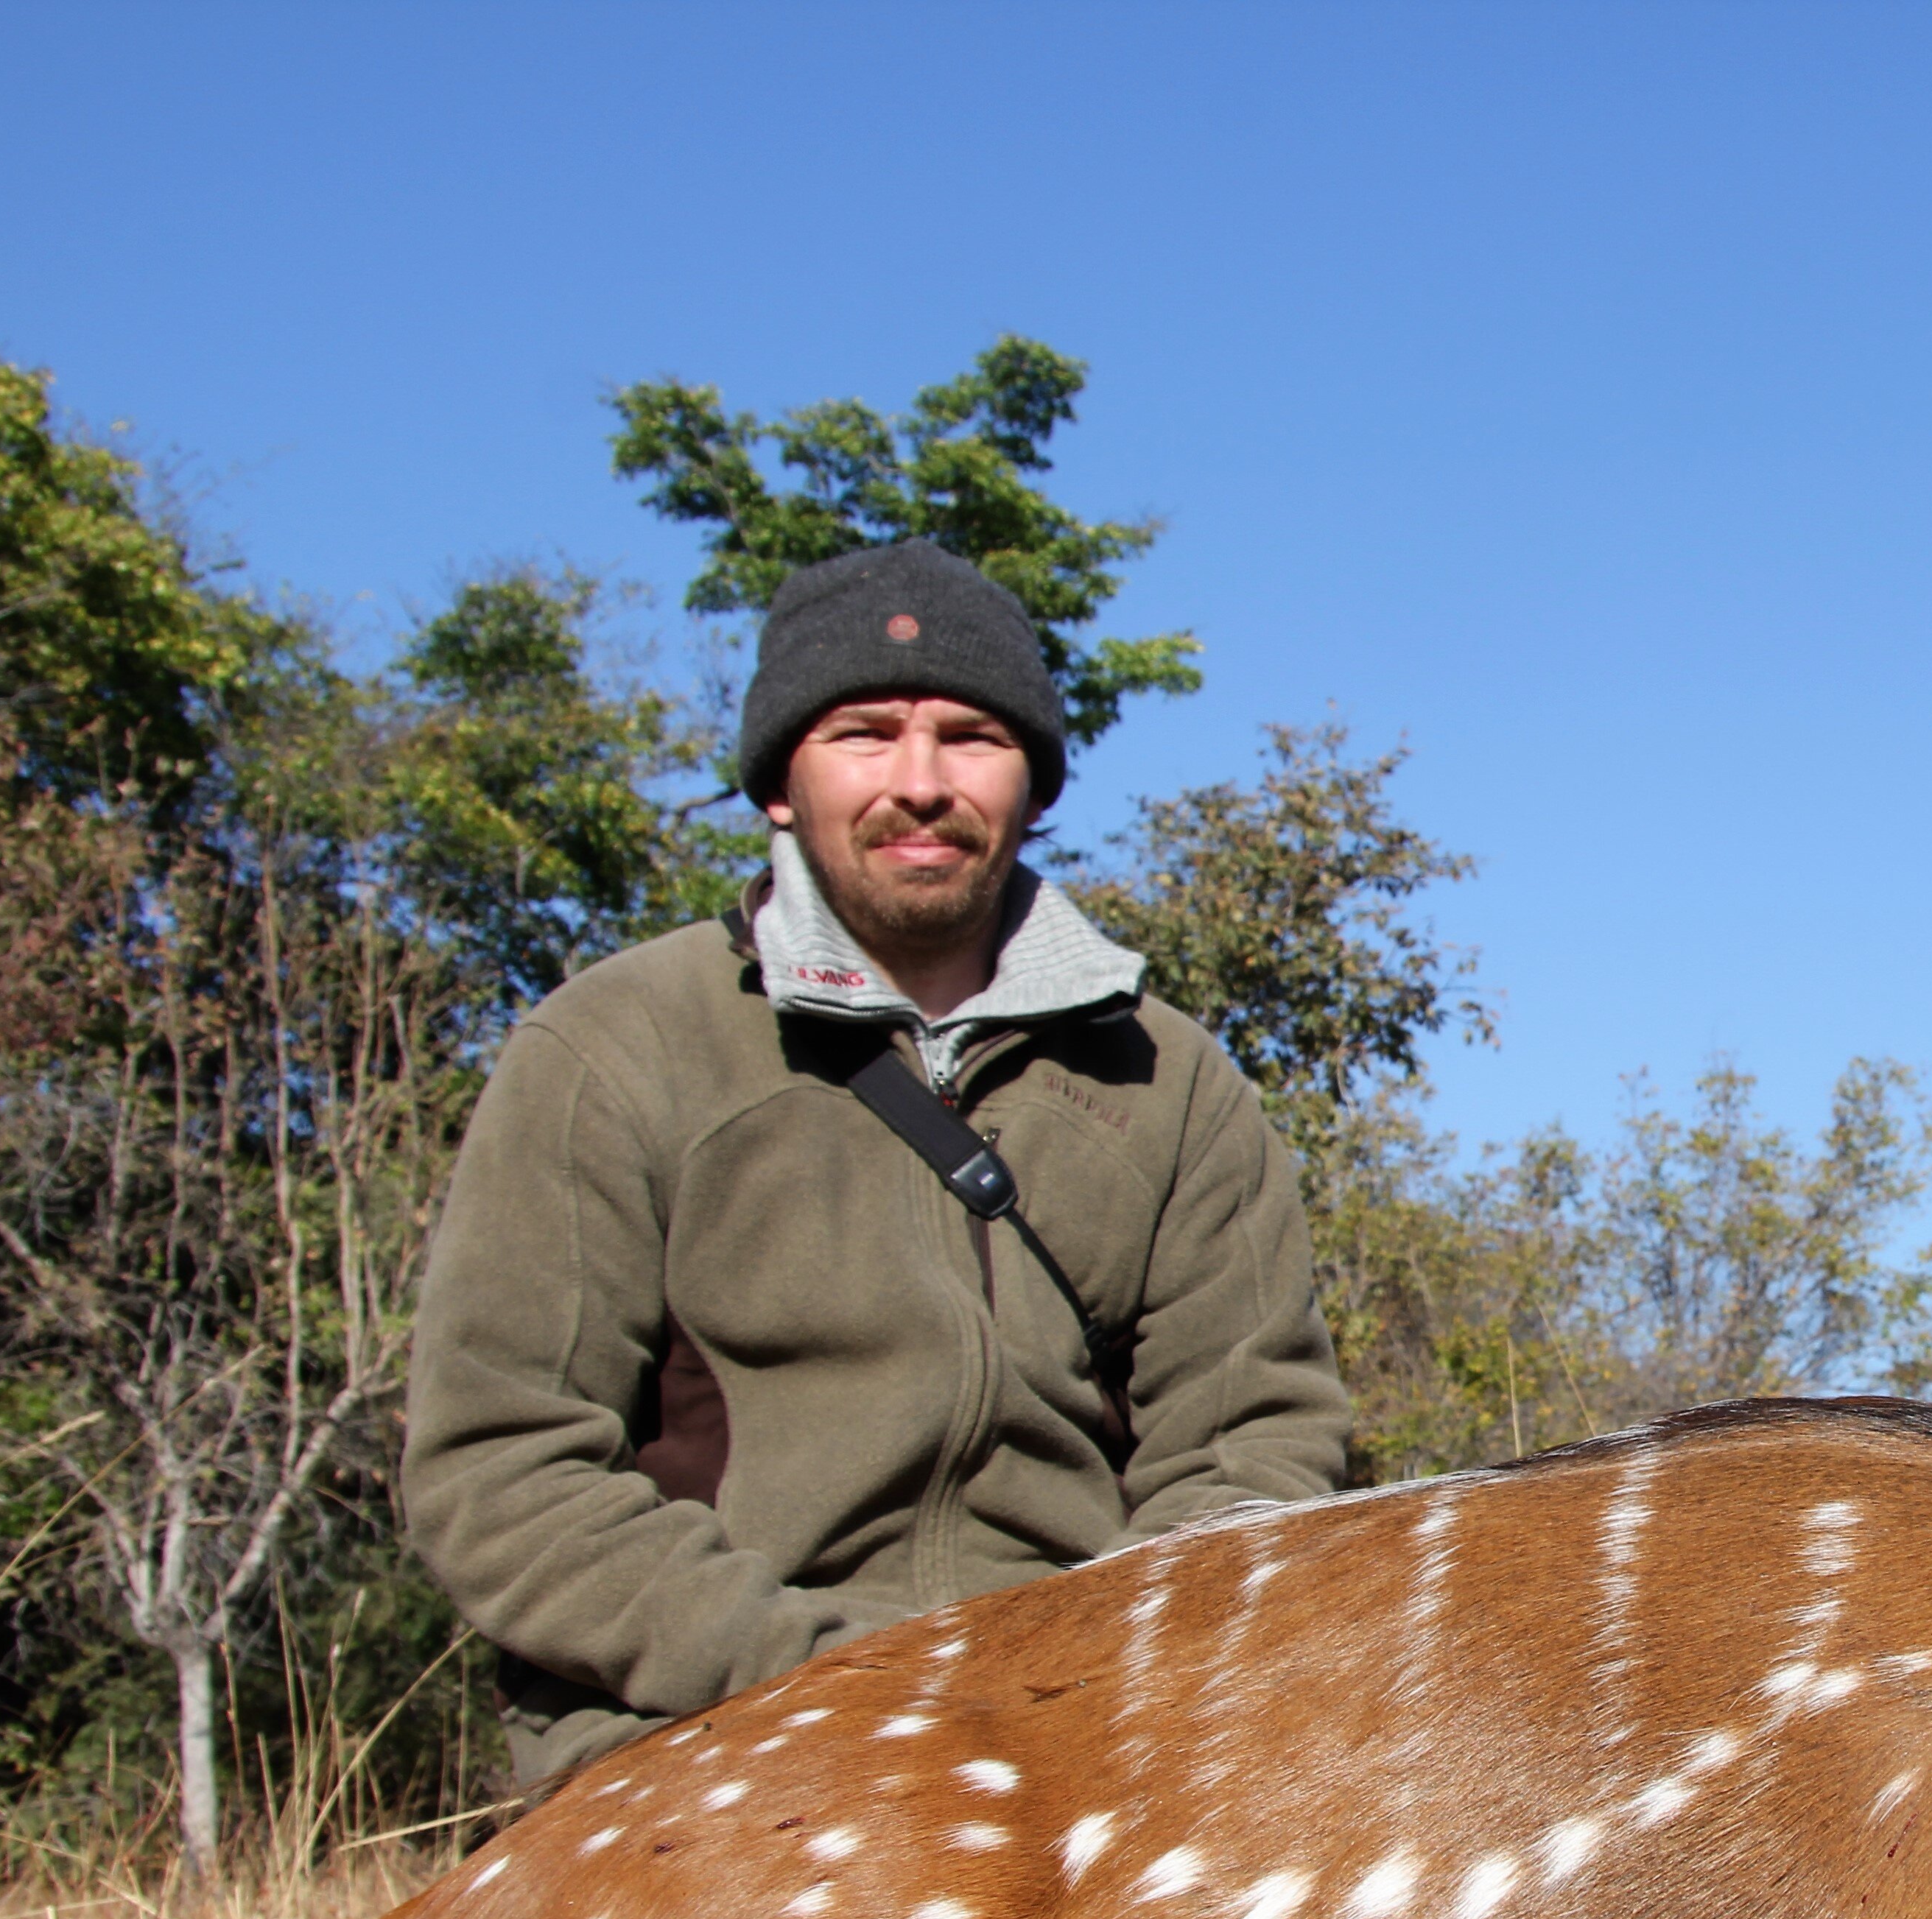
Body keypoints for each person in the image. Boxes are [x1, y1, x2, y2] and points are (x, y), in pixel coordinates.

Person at [402, 539, 1351, 1790]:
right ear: (781, 784)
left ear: (1030, 781)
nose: (919, 781)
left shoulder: (1171, 1079)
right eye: (864, 732)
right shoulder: (613, 1045)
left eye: (969, 735)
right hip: (701, 1733)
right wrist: (844, 1682)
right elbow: (502, 1471)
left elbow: (1251, 1444)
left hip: (1088, 1727)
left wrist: (1087, 1678)